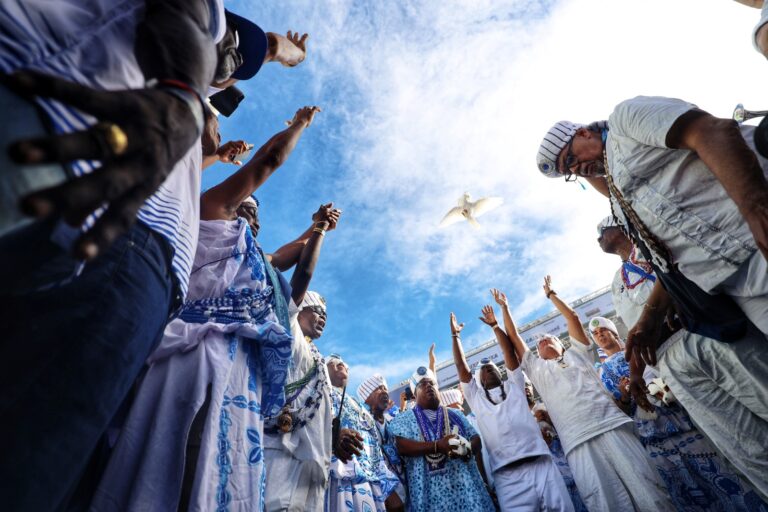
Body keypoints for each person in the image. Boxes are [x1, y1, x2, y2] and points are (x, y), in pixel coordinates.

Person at [90, 106, 321, 510]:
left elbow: (291, 255)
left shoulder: (254, 259)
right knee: (182, 472)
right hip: (198, 359)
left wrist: (317, 227)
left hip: (242, 381)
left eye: (256, 216)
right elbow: (268, 160)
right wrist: (300, 124)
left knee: (227, 483)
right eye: (245, 206)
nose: (251, 216)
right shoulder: (209, 216)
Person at [536, 98, 768, 340]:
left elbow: (709, 131)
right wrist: (651, 316)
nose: (575, 170)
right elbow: (659, 252)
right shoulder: (618, 192)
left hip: (756, 233)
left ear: (584, 133)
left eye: (569, 160)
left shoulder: (624, 122)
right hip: (735, 282)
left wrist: (757, 208)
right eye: (569, 173)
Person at [595, 215, 768, 500]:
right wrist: (636, 374)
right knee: (742, 443)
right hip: (667, 361)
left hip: (703, 331)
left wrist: (658, 311)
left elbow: (679, 269)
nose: (598, 238)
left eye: (601, 230)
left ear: (619, 223)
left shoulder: (650, 239)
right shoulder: (617, 283)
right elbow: (635, 333)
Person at [504, 275, 673, 511]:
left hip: (612, 426)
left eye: (549, 338)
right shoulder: (537, 370)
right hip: (577, 443)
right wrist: (504, 309)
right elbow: (513, 337)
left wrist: (551, 295)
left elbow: (572, 317)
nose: (543, 341)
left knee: (649, 490)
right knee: (605, 504)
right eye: (539, 343)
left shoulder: (579, 354)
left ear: (563, 344)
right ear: (537, 355)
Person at [591, 315, 768, 511]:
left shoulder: (641, 349)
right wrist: (625, 395)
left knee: (720, 471)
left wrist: (658, 389)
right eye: (595, 334)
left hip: (681, 420)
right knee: (685, 489)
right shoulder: (601, 373)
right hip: (651, 437)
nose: (600, 335)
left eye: (603, 330)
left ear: (614, 332)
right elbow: (620, 409)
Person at [453, 303, 573, 512]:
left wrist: (495, 326)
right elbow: (461, 367)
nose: (489, 371)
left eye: (492, 368)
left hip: (542, 465)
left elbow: (508, 351)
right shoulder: (476, 398)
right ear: (478, 380)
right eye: (484, 370)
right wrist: (455, 336)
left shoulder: (515, 385)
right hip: (508, 478)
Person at [387, 366, 495, 512]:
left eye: (432, 383)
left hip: (468, 493)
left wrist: (467, 448)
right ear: (414, 393)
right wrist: (437, 446)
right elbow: (401, 446)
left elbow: (475, 438)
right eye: (422, 384)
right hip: (429, 498)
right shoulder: (403, 419)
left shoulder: (456, 414)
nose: (428, 386)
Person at [325, 356, 402, 511]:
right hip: (336, 477)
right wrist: (332, 436)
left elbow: (374, 452)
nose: (339, 362)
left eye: (342, 362)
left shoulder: (360, 408)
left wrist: (387, 488)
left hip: (369, 483)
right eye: (332, 361)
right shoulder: (317, 394)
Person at [358, 373, 408, 506]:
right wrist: (387, 492)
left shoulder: (392, 423)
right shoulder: (361, 425)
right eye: (378, 389)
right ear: (366, 398)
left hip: (405, 487)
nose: (384, 391)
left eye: (385, 388)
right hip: (385, 496)